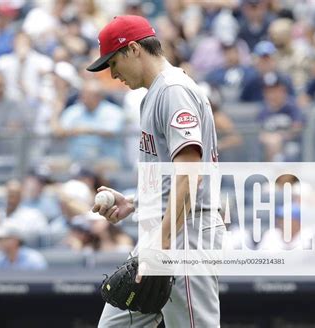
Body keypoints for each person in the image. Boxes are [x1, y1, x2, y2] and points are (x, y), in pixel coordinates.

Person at [87, 15, 225, 327]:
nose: (112, 74)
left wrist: (159, 246)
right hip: (164, 230)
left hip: (184, 234)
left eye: (113, 62)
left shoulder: (173, 90)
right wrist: (136, 202)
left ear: (133, 49)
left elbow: (190, 174)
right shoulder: (153, 95)